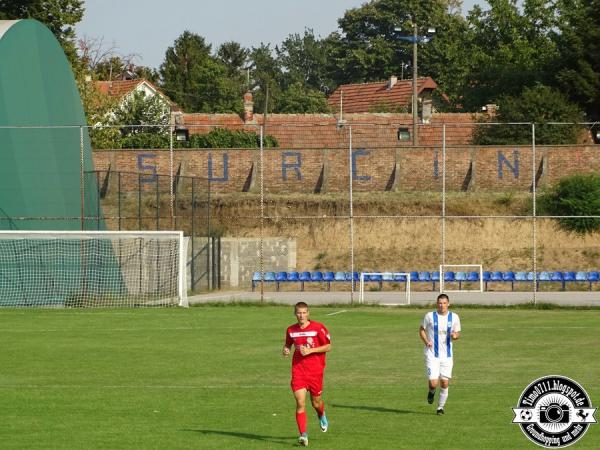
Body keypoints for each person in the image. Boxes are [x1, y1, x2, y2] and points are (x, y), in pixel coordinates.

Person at [283, 301, 331, 446]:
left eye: (304, 313)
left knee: (316, 403)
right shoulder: (291, 330)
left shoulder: (318, 328)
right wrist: (286, 349)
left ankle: (321, 414)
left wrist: (310, 350)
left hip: (315, 372)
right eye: (299, 313)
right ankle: (303, 435)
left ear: (308, 313)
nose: (301, 315)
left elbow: (328, 346)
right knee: (300, 402)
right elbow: (288, 344)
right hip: (298, 371)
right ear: (295, 314)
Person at [419, 293, 461, 415]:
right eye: (440, 303)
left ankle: (440, 408)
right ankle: (431, 392)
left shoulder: (454, 317)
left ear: (448, 304)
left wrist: (455, 336)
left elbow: (457, 333)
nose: (442, 305)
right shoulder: (430, 316)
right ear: (437, 304)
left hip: (447, 356)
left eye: (444, 303)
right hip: (432, 354)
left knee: (445, 382)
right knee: (433, 383)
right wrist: (427, 342)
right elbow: (421, 329)